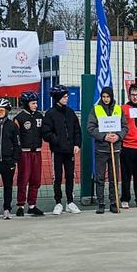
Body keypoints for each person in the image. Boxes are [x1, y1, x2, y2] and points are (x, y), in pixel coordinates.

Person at [41, 85, 81, 215]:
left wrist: (77, 144)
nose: (67, 98)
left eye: (67, 96)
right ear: (58, 98)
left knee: (70, 176)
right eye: (64, 96)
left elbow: (77, 130)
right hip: (57, 151)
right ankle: (58, 202)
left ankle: (70, 202)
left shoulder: (70, 112)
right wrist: (56, 140)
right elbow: (46, 133)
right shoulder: (50, 114)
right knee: (57, 177)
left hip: (70, 151)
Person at [89, 86, 128, 214]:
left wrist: (118, 136)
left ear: (111, 97)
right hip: (101, 149)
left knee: (114, 177)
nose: (105, 99)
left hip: (115, 149)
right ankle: (101, 203)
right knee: (100, 177)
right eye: (103, 97)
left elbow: (124, 127)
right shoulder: (96, 109)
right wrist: (104, 136)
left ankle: (113, 202)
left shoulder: (118, 109)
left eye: (108, 97)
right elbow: (91, 128)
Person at [13, 91, 44, 216]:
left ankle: (32, 205)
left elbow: (44, 132)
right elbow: (16, 137)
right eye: (33, 103)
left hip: (37, 152)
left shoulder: (39, 116)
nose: (35, 105)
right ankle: (20, 205)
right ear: (26, 104)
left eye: (36, 103)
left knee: (36, 179)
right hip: (24, 153)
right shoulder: (19, 118)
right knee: (23, 178)